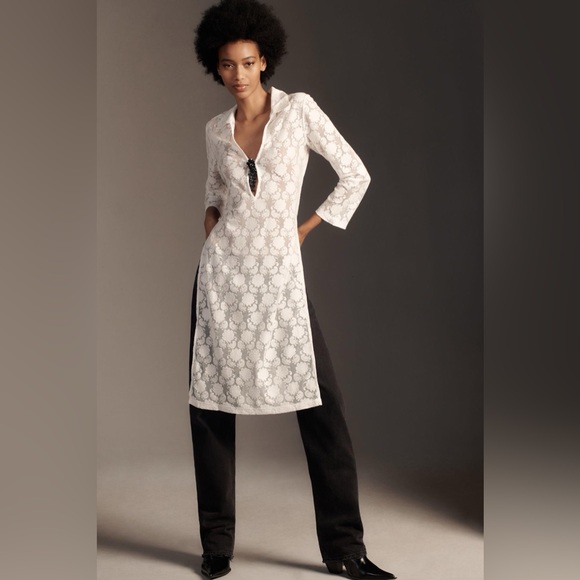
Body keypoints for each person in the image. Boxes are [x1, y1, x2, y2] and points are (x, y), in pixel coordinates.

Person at [188, 1, 396, 578]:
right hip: (223, 279)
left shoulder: (298, 110)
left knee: (322, 408)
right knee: (210, 408)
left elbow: (355, 173)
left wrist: (302, 230)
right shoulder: (215, 130)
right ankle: (216, 547)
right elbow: (213, 192)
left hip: (280, 278)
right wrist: (214, 225)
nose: (237, 74)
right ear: (215, 66)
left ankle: (345, 549)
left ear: (265, 60)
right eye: (226, 64)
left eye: (247, 62)